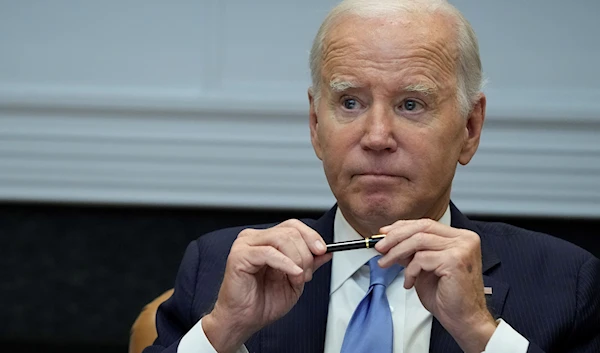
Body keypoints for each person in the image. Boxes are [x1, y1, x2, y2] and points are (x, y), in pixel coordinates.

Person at [143, 0, 600, 352]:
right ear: (316, 125)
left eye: (411, 104)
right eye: (350, 103)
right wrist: (222, 331)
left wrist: (482, 334)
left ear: (469, 128)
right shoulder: (217, 268)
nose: (377, 136)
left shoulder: (565, 282)